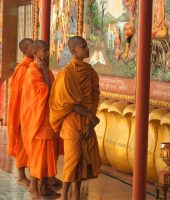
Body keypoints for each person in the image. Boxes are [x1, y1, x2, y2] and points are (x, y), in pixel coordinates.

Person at [49, 36, 101, 200]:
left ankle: (76, 195)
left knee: (83, 159)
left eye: (86, 45)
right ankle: (64, 196)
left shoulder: (90, 72)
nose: (87, 49)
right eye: (82, 46)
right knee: (73, 158)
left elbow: (94, 96)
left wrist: (90, 123)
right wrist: (91, 116)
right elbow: (67, 103)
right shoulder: (66, 74)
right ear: (73, 51)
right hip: (71, 122)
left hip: (87, 122)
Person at [21, 40, 60, 198]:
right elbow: (46, 91)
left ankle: (44, 187)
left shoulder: (45, 70)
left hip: (48, 119)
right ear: (35, 53)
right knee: (39, 156)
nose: (47, 53)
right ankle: (34, 188)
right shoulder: (33, 71)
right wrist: (44, 71)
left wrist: (45, 71)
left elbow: (55, 89)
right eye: (44, 50)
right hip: (38, 121)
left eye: (47, 50)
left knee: (47, 156)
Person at [7, 38, 34, 187]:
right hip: (23, 111)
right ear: (25, 51)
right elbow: (19, 94)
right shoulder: (23, 69)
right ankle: (21, 175)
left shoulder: (33, 66)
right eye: (32, 46)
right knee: (22, 143)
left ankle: (40, 175)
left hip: (31, 110)